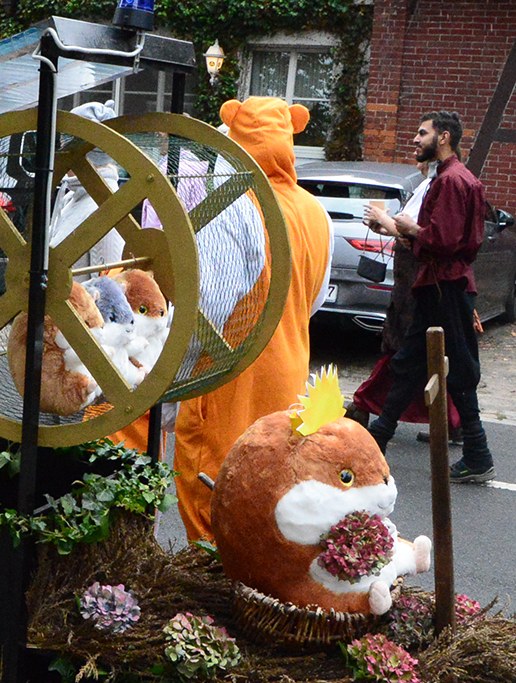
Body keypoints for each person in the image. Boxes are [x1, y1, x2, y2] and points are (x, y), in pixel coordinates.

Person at [172, 97, 331, 543]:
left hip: (230, 376)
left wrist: (172, 372)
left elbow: (207, 306)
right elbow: (314, 299)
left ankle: (218, 584)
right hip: (290, 374)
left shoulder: (233, 205)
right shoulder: (315, 211)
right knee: (273, 494)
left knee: (216, 495)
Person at [361, 110, 495, 482]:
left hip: (445, 286)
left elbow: (445, 241)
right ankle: (379, 438)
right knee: (410, 361)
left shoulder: (451, 180)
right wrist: (410, 233)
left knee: (459, 367)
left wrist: (410, 228)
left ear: (444, 137)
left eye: (423, 133)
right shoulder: (454, 177)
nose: (416, 140)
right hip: (438, 284)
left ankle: (478, 452)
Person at [347, 156, 463, 443]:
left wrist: (383, 219)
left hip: (417, 281)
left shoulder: (438, 186)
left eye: (422, 138)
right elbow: (407, 234)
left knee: (405, 351)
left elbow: (416, 235)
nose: (415, 149)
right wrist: (383, 226)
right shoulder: (425, 185)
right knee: (414, 355)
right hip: (408, 280)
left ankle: (364, 406)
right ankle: (454, 420)